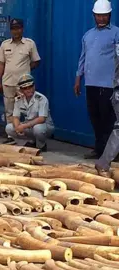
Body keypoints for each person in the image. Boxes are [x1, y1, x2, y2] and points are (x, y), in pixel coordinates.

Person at [75, 0, 119, 159]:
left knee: (109, 119)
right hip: (91, 83)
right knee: (95, 117)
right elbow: (83, 58)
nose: (101, 18)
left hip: (108, 85)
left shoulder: (116, 33)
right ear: (94, 15)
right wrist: (78, 77)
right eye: (98, 15)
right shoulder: (88, 35)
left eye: (104, 16)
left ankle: (112, 153)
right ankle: (99, 149)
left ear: (109, 15)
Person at [0, 18, 41, 145]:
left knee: (28, 110)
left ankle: (30, 137)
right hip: (8, 83)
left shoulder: (29, 44)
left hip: (24, 85)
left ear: (22, 29)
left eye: (18, 28)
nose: (16, 31)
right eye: (13, 29)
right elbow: (1, 64)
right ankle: (11, 136)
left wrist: (26, 70)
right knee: (9, 110)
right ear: (10, 30)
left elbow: (36, 61)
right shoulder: (5, 45)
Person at [5, 74, 54, 152]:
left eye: (30, 87)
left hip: (44, 126)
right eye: (25, 88)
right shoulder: (19, 99)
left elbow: (42, 119)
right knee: (9, 128)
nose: (28, 90)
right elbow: (15, 117)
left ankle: (41, 145)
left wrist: (24, 126)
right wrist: (18, 128)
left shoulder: (41, 99)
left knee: (38, 129)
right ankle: (29, 143)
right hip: (28, 126)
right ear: (21, 90)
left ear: (34, 86)